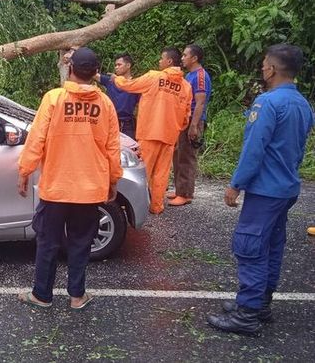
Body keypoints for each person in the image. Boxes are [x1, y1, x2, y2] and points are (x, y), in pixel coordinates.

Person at [208, 44, 314, 336]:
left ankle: (247, 315)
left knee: (251, 247)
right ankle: (260, 303)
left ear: (273, 69)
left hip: (266, 191)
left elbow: (254, 149)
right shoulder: (303, 105)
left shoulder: (267, 103)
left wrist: (235, 184)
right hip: (286, 188)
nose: (262, 68)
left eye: (265, 64)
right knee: (271, 245)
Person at [17, 47, 122, 309]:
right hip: (90, 188)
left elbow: (36, 138)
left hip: (56, 187)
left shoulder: (54, 99)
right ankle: (77, 296)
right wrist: (113, 181)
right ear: (96, 73)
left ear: (71, 69)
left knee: (48, 242)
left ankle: (42, 295)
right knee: (81, 243)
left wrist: (25, 171)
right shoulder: (105, 104)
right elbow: (112, 148)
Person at [112, 47, 192, 215]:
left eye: (161, 59)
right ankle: (156, 206)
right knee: (162, 174)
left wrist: (116, 80)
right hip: (170, 136)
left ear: (169, 61)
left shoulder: (154, 77)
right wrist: (176, 127)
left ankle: (138, 207)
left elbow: (130, 85)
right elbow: (186, 116)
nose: (159, 61)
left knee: (143, 171)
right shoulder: (185, 86)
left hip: (149, 132)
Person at [168, 44, 212, 206]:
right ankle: (180, 190)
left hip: (193, 120)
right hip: (184, 120)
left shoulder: (200, 76)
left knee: (187, 157)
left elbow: (200, 103)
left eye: (185, 55)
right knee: (179, 155)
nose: (182, 58)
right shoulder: (190, 75)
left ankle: (186, 194)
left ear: (194, 58)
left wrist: (194, 126)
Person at [98, 53, 141, 139]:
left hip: (127, 125)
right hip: (109, 122)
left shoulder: (136, 84)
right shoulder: (110, 81)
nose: (116, 67)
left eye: (119, 64)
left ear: (128, 65)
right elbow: (91, 74)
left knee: (129, 150)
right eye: (115, 65)